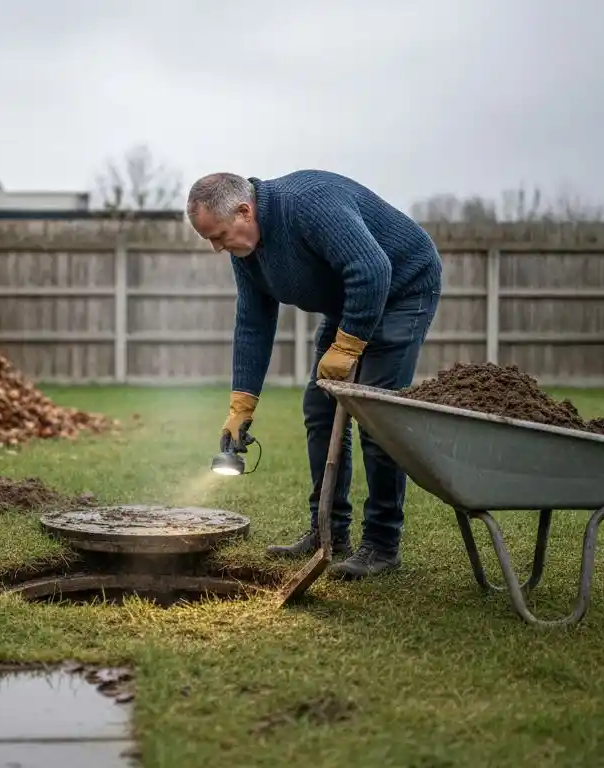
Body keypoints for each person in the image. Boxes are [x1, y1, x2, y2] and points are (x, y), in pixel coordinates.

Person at [187, 170, 442, 579]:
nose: (218, 247)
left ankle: (381, 544)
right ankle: (328, 532)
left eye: (218, 235)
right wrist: (241, 405)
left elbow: (373, 268)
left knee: (375, 415)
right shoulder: (247, 253)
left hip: (402, 289)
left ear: (244, 210)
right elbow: (253, 321)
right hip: (349, 302)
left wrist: (347, 346)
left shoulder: (308, 204)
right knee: (320, 409)